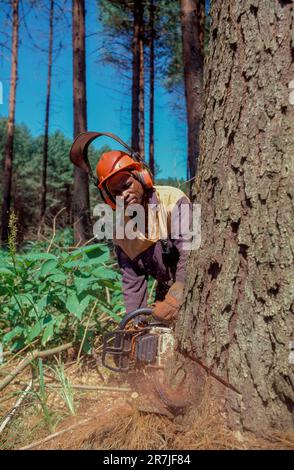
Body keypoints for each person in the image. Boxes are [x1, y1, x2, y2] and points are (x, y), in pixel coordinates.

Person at [96, 149, 192, 325]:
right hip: (166, 288)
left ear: (142, 177)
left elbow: (191, 253)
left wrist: (175, 298)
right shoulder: (123, 232)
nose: (123, 195)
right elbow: (132, 282)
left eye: (126, 186)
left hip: (192, 283)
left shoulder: (173, 200)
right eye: (116, 193)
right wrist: (136, 323)